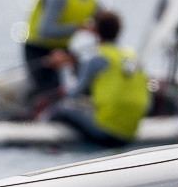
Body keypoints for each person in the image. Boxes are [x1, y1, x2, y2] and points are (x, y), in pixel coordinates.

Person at [49, 9, 152, 147]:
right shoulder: (132, 56)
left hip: (107, 132)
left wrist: (63, 67)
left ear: (96, 31)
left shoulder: (96, 57)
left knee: (61, 108)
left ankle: (44, 145)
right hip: (131, 132)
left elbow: (71, 94)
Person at [23, 0, 101, 107]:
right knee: (50, 95)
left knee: (87, 85)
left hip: (62, 49)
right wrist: (79, 28)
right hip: (39, 50)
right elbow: (45, 30)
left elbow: (105, 27)